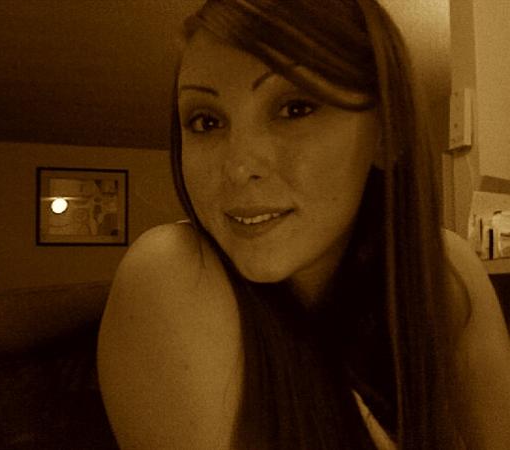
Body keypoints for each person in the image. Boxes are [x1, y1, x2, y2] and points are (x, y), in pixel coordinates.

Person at [97, 0, 510, 448]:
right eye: (206, 121)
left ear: (386, 133)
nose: (238, 167)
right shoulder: (171, 273)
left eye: (294, 108)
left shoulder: (445, 272)